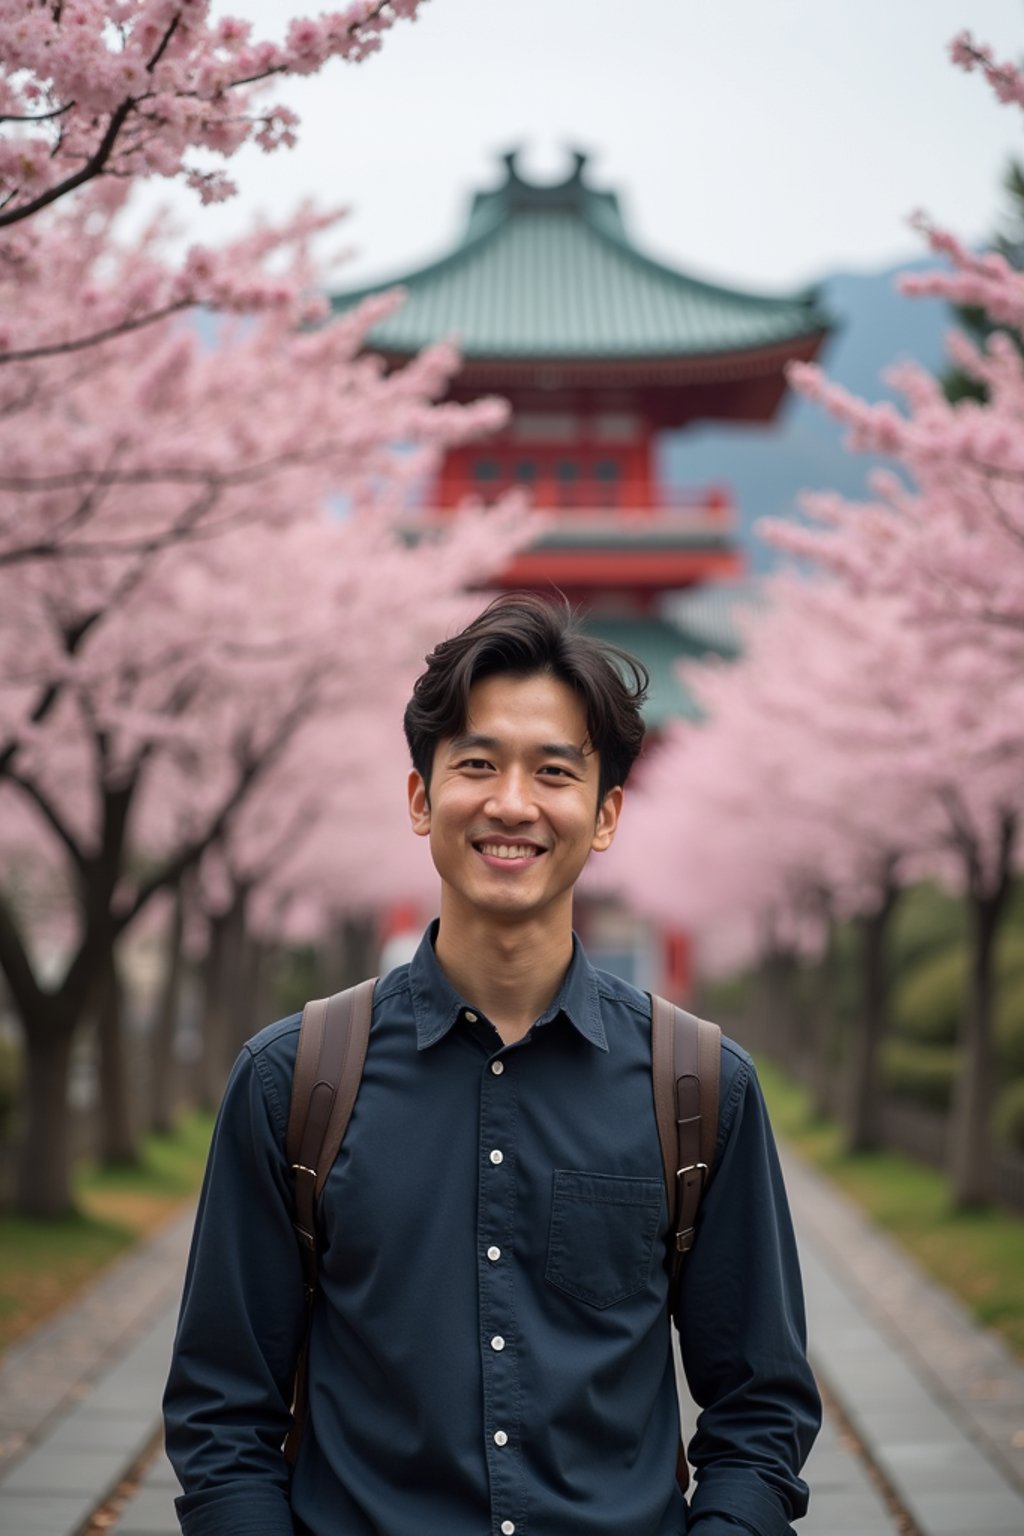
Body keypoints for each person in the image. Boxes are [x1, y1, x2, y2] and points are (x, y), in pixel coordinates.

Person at [164, 592, 820, 1536]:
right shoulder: (293, 1081)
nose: (512, 804)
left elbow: (760, 1410)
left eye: (555, 772)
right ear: (421, 798)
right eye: (477, 764)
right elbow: (222, 1413)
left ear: (604, 816)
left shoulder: (700, 1091)